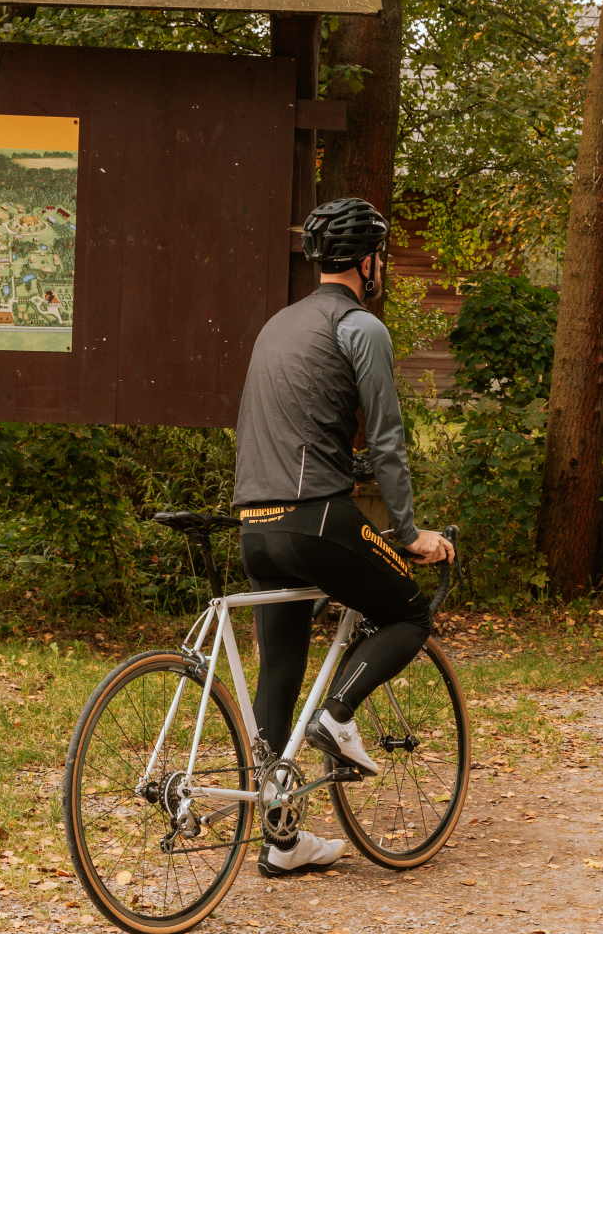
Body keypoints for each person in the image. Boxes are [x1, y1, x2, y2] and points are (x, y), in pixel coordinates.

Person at [232, 196, 456, 878]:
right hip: (314, 520)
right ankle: (338, 715)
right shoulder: (361, 327)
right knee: (409, 611)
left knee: (279, 666)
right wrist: (410, 532)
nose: (380, 267)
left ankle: (281, 839)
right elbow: (386, 439)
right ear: (366, 262)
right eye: (380, 256)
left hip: (253, 524)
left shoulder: (277, 325)